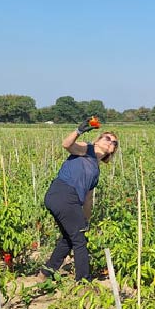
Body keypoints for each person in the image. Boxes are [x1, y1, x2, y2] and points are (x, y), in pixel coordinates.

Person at [40, 118, 119, 281]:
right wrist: (79, 131)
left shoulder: (96, 171)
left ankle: (46, 272)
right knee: (79, 240)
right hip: (63, 193)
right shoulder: (86, 149)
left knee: (69, 237)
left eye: (114, 142)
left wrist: (86, 220)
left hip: (69, 199)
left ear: (112, 150)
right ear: (98, 140)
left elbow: (88, 199)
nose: (110, 142)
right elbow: (67, 145)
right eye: (107, 138)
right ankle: (84, 281)